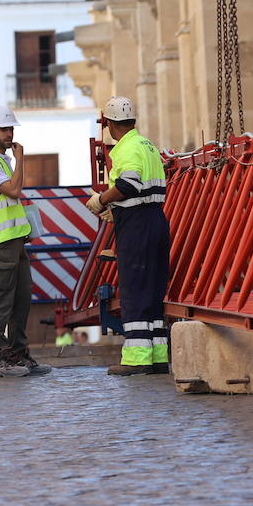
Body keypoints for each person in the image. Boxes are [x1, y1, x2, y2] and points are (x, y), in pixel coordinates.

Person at [85, 96, 170, 376]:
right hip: (156, 219)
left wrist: (101, 200)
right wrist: (116, 207)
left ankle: (136, 359)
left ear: (109, 124)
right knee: (153, 291)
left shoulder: (126, 148)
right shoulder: (148, 145)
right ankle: (158, 355)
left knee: (134, 290)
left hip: (137, 227)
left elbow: (129, 184)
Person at [0, 107, 51, 377]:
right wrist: (21, 159)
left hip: (14, 241)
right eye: (4, 129)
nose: (9, 134)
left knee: (21, 299)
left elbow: (9, 202)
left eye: (11, 129)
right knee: (1, 301)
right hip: (0, 244)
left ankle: (18, 354)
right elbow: (14, 190)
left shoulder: (1, 163)